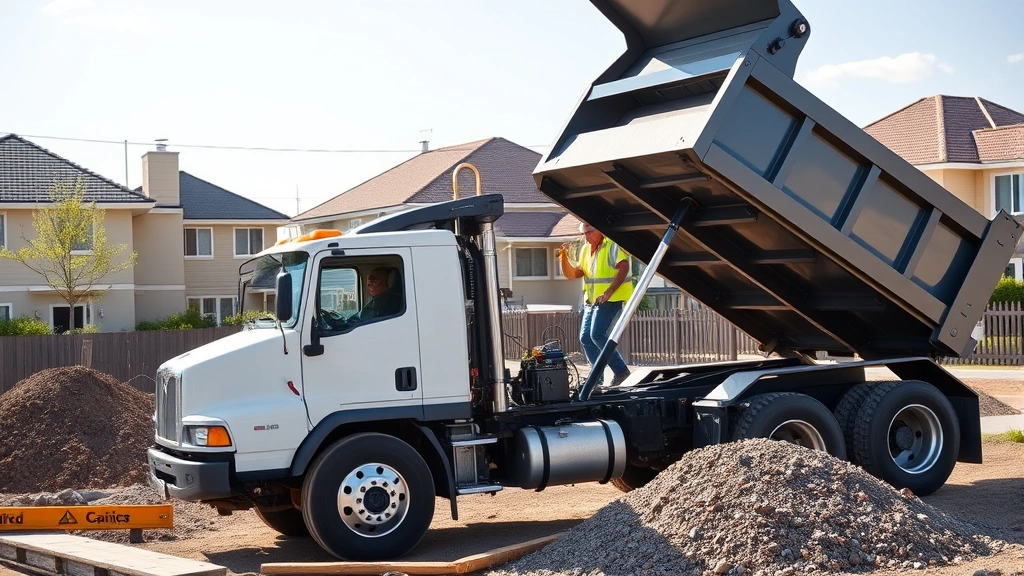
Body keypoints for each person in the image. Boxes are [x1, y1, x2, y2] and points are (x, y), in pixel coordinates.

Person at [557, 222, 632, 387]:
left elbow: (624, 267)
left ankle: (621, 372)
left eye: (589, 232)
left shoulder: (612, 245)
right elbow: (574, 274)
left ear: (600, 229)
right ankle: (597, 378)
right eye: (584, 233)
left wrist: (609, 292)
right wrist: (564, 259)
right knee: (585, 338)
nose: (586, 236)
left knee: (596, 334)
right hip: (592, 301)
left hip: (612, 298)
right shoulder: (585, 249)